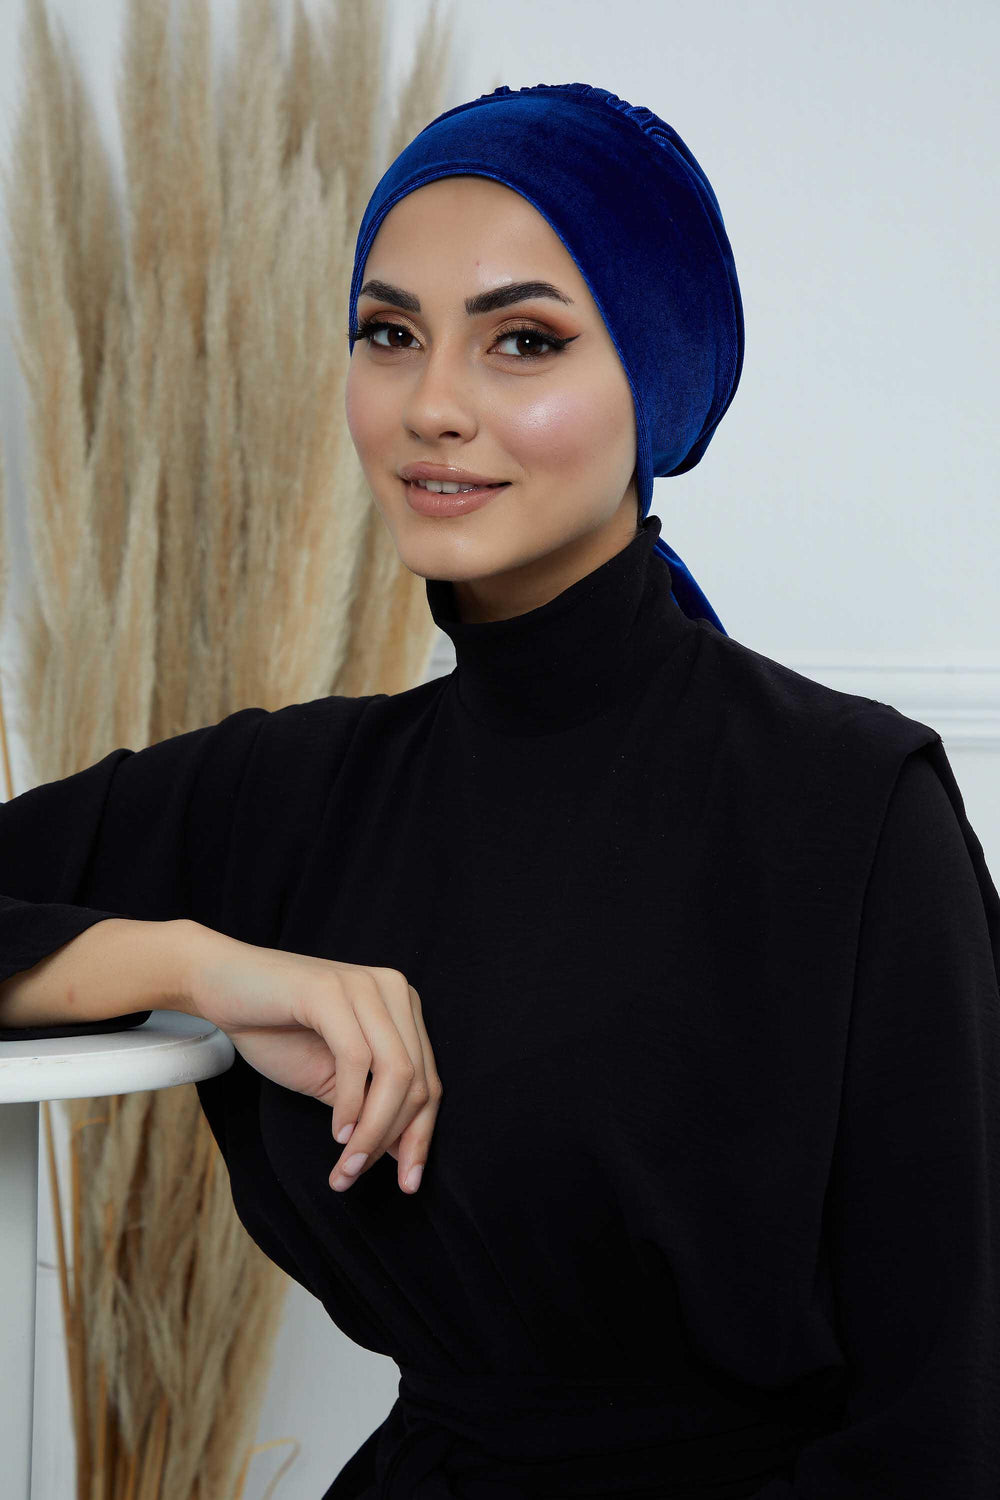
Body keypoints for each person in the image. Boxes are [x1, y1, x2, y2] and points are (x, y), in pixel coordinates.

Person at [1, 81, 998, 1499]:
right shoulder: (293, 792)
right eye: (389, 334)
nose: (433, 406)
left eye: (523, 341)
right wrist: (200, 966)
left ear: (656, 381)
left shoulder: (852, 806)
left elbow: (948, 1420)